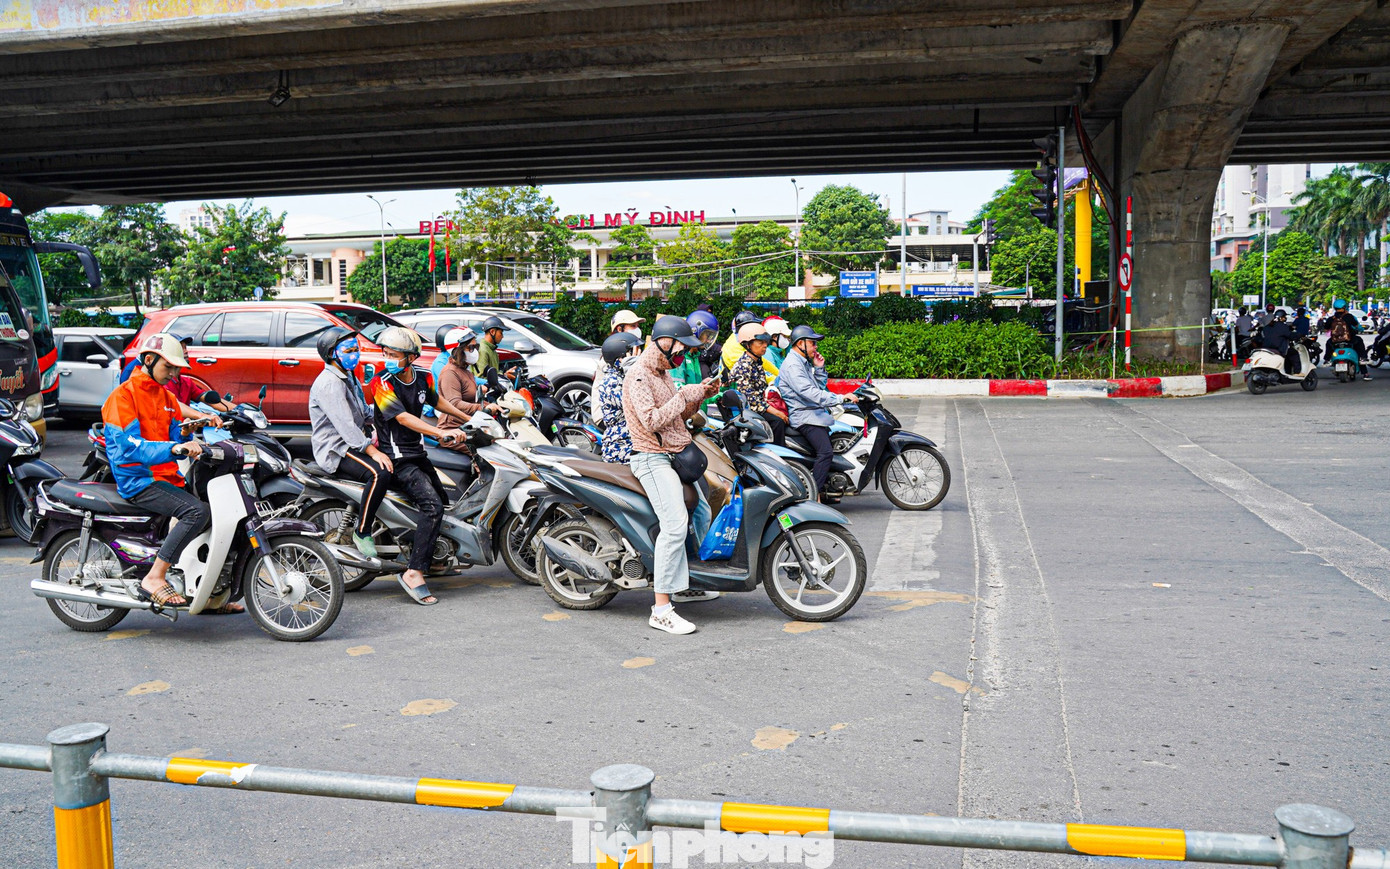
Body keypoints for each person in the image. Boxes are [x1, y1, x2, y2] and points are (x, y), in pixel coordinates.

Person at [102, 333, 226, 611]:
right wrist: (174, 448)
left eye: (176, 369)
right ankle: (155, 577)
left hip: (166, 475)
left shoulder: (167, 397)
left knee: (216, 512)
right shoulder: (123, 396)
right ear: (149, 360)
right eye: (167, 367)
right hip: (138, 478)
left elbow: (173, 437)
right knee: (196, 512)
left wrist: (187, 434)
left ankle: (202, 591)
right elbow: (130, 447)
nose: (172, 374)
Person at [623, 315, 722, 635]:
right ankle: (661, 608)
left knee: (703, 509)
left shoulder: (664, 373)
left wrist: (698, 397)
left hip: (675, 455)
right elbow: (651, 421)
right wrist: (683, 395)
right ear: (664, 343)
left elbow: (678, 416)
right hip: (652, 458)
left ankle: (685, 583)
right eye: (681, 347)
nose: (684, 354)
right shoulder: (638, 375)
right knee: (676, 524)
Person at [371, 326, 474, 605]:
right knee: (433, 507)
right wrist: (440, 433)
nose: (387, 358)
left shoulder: (423, 377)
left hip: (417, 454)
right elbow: (403, 418)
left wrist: (468, 419)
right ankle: (414, 572)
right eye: (386, 353)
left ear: (411, 357)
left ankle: (432, 557)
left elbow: (437, 401)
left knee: (445, 501)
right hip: (397, 458)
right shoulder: (381, 383)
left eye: (394, 354)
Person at [309, 327, 396, 559]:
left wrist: (392, 417)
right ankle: (362, 530)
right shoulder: (330, 383)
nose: (355, 354)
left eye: (356, 349)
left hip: (351, 442)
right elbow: (347, 426)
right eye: (348, 350)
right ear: (332, 354)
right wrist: (371, 450)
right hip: (336, 448)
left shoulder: (348, 376)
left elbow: (364, 411)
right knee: (380, 473)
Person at [778, 324, 843, 503]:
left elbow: (817, 387)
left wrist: (820, 368)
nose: (816, 347)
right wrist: (839, 398)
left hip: (814, 413)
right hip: (805, 416)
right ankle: (813, 496)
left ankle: (827, 490)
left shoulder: (802, 362)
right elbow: (808, 393)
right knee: (825, 453)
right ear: (800, 343)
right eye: (813, 343)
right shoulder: (792, 365)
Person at [730, 323, 787, 445]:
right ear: (748, 344)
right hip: (749, 412)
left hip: (760, 406)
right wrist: (776, 412)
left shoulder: (757, 363)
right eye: (760, 343)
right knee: (778, 422)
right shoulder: (743, 366)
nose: (765, 346)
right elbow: (752, 400)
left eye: (765, 342)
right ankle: (778, 455)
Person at [591, 309, 645, 423]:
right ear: (620, 329)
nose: (637, 329)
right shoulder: (613, 354)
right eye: (633, 326)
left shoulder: (629, 350)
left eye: (637, 326)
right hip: (608, 415)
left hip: (625, 409)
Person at [597, 330, 642, 463]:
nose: (639, 356)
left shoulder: (623, 376)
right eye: (634, 352)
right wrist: (633, 371)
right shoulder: (611, 382)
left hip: (635, 444)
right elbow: (637, 402)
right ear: (620, 358)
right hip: (621, 449)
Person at [671, 311, 722, 415]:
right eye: (707, 335)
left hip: (698, 418)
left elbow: (700, 396)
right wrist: (701, 388)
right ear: (696, 332)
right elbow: (676, 391)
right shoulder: (680, 357)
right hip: (685, 420)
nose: (708, 340)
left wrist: (717, 393)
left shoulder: (695, 356)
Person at [1324, 299, 1370, 379]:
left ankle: (1327, 359)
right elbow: (1357, 326)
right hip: (1349, 340)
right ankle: (1364, 366)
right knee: (1359, 343)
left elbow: (1325, 329)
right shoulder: (1349, 317)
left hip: (1335, 341)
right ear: (1345, 307)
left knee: (1328, 343)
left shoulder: (1331, 318)